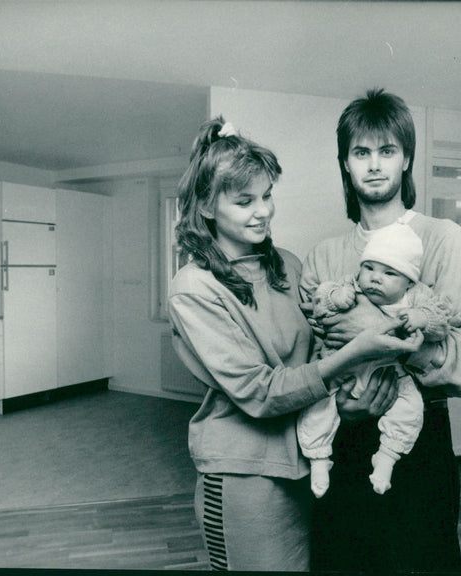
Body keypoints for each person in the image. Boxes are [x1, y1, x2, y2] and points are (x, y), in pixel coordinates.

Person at [167, 116, 423, 572]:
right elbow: (260, 392)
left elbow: (319, 347)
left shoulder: (284, 263)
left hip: (310, 460)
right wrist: (355, 354)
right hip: (246, 474)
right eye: (244, 201)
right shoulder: (193, 288)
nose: (263, 211)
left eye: (267, 196)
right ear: (207, 206)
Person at [300, 89, 461, 573]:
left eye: (387, 151)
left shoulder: (441, 239)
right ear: (345, 163)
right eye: (361, 152)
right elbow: (307, 366)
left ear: (406, 159)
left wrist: (381, 331)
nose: (374, 165)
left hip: (419, 442)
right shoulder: (323, 257)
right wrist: (341, 400)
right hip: (339, 442)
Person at [297, 222, 451, 497]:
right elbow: (319, 303)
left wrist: (421, 318)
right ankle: (319, 458)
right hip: (343, 366)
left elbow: (441, 323)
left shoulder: (417, 297)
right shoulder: (350, 285)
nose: (374, 278)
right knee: (317, 406)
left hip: (388, 371)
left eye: (389, 272)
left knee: (411, 407)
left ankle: (387, 457)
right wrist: (335, 298)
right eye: (369, 267)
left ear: (408, 280)